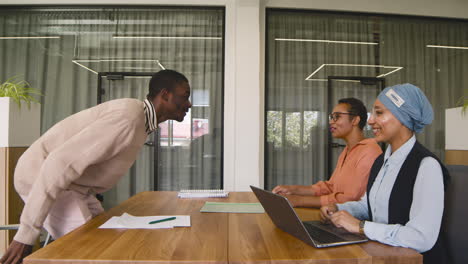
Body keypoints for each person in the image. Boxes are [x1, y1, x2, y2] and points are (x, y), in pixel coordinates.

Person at [0, 69, 192, 264]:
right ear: (165, 95)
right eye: (185, 96)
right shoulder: (128, 118)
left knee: (107, 239)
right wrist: (25, 234)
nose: (189, 104)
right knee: (94, 251)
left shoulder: (140, 121)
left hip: (74, 187)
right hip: (41, 175)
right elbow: (58, 164)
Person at [320, 84, 449, 264]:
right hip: (383, 255)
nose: (371, 121)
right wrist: (340, 210)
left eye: (379, 113)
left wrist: (361, 227)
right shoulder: (381, 161)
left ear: (403, 117)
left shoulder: (427, 166)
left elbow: (421, 238)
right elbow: (369, 206)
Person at [272, 98, 382, 208]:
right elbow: (330, 187)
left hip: (351, 221)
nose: (331, 122)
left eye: (337, 117)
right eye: (331, 117)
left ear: (355, 120)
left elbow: (350, 198)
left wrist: (298, 200)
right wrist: (293, 190)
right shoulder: (347, 150)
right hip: (336, 216)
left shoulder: (369, 151)